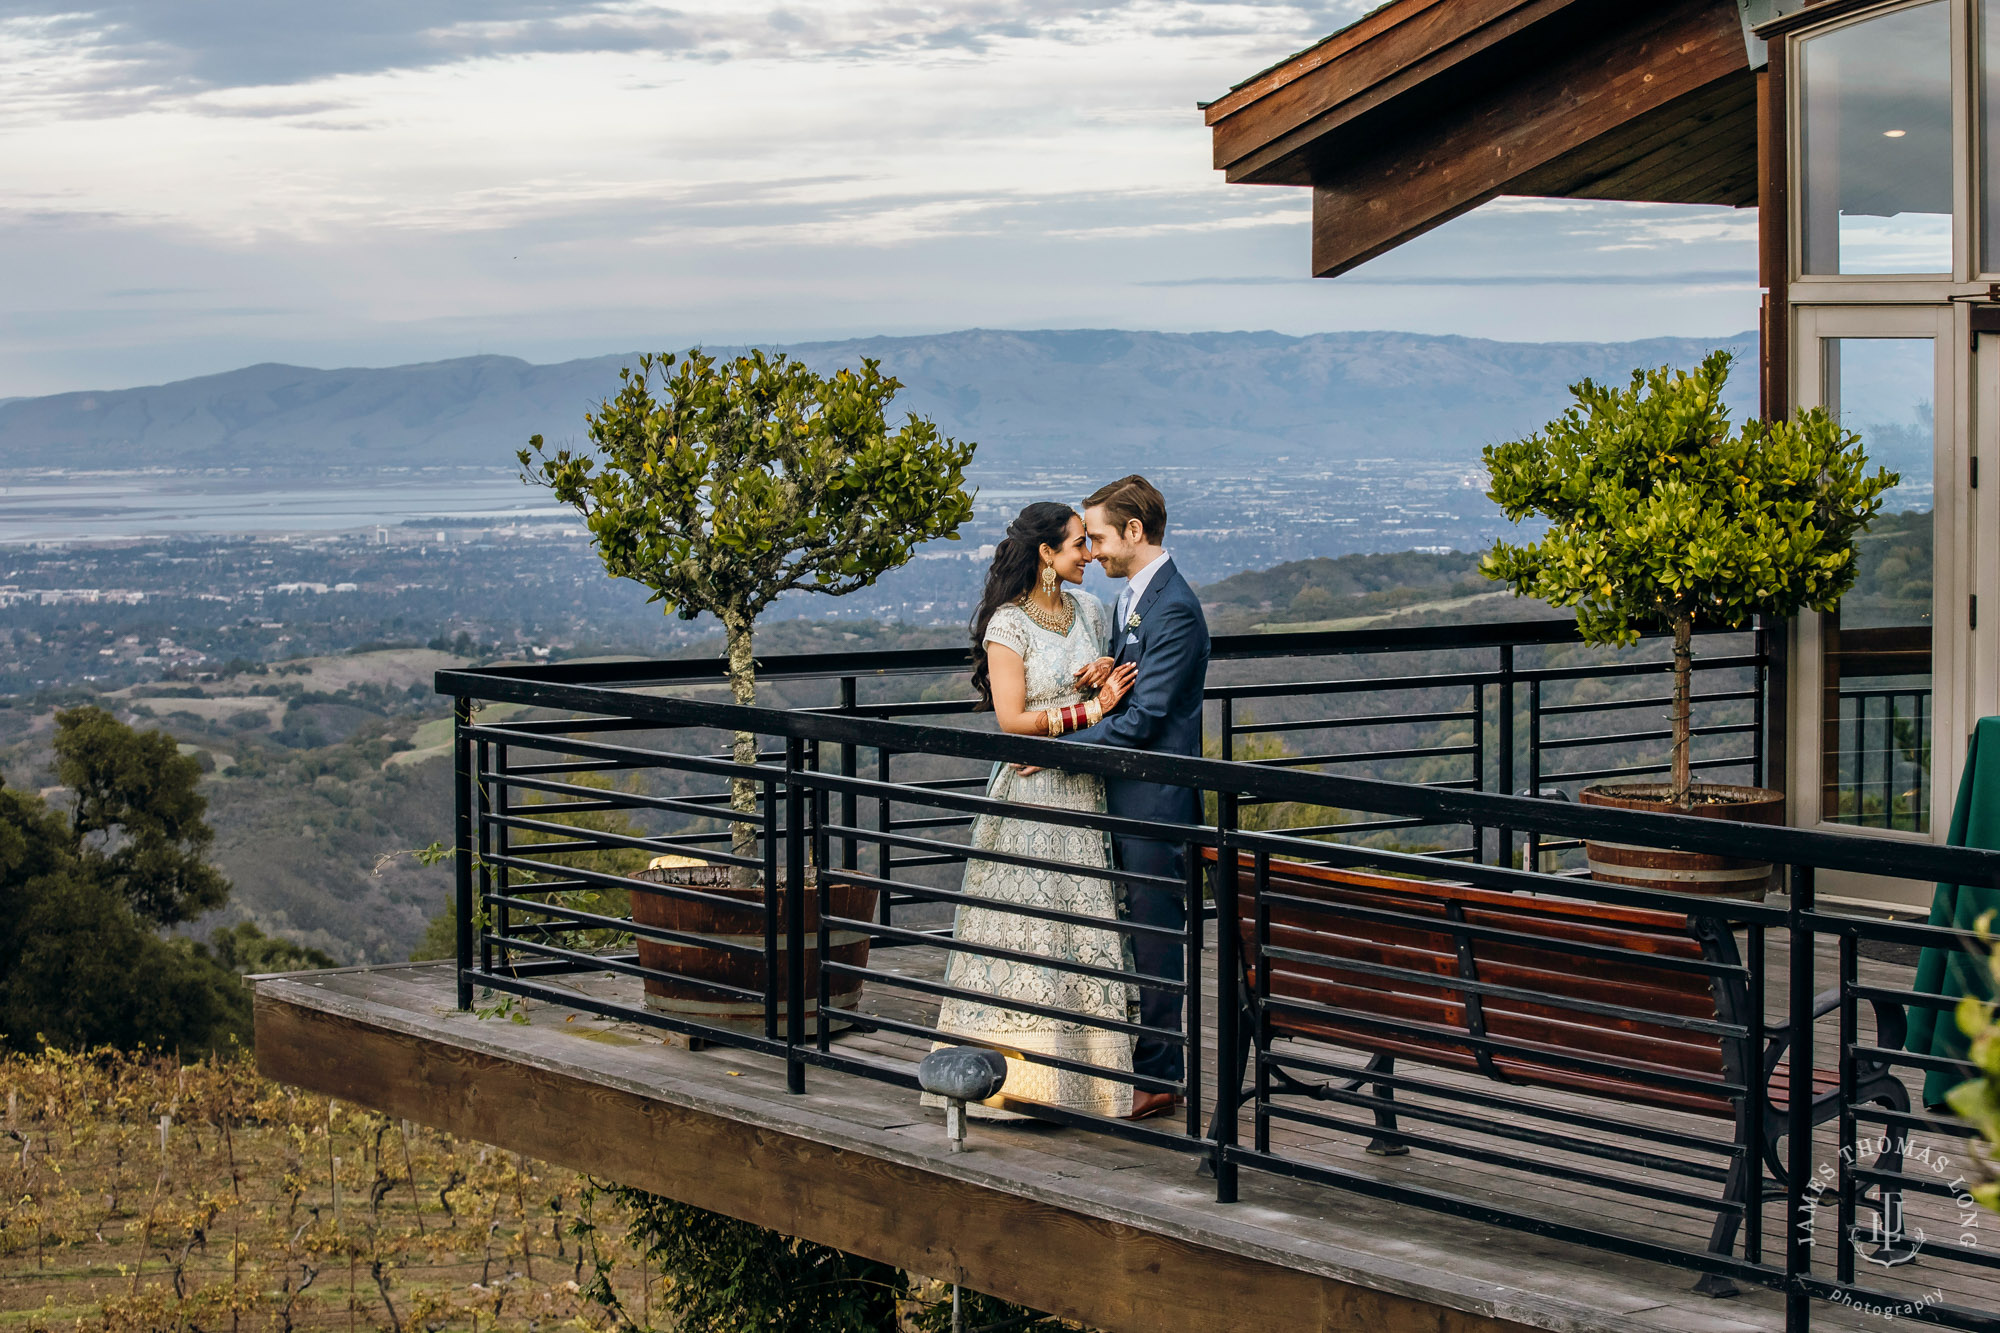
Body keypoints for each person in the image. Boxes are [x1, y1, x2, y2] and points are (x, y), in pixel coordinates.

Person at [924, 501, 1141, 1120]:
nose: (1089, 555)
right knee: (1030, 927)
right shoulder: (1007, 626)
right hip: (1028, 799)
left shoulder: (1093, 613)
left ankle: (1089, 1086)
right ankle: (1017, 1084)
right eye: (1078, 546)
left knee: (1081, 927)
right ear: (1047, 554)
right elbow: (1013, 721)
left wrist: (1098, 682)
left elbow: (1109, 693)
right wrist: (1092, 711)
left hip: (1082, 793)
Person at [1065, 474, 1211, 1121]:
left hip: (1154, 805)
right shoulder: (1136, 601)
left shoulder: (1174, 607)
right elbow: (1132, 687)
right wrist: (1104, 667)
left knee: (1154, 937)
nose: (1091, 549)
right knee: (1131, 934)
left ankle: (1160, 1075)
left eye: (1097, 535)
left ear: (1133, 530)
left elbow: (1145, 717)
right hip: (1128, 797)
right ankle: (1142, 1064)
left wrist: (1062, 745)